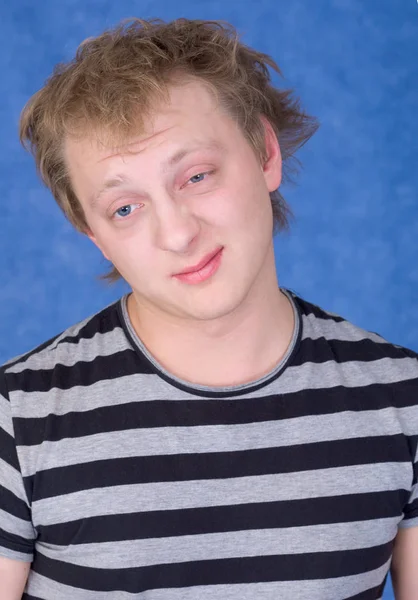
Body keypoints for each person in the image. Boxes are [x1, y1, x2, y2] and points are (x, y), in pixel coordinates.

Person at [0, 17, 417, 600]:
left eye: (196, 176)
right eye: (124, 208)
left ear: (265, 153)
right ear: (93, 233)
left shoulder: (406, 398)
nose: (176, 233)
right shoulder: (17, 420)